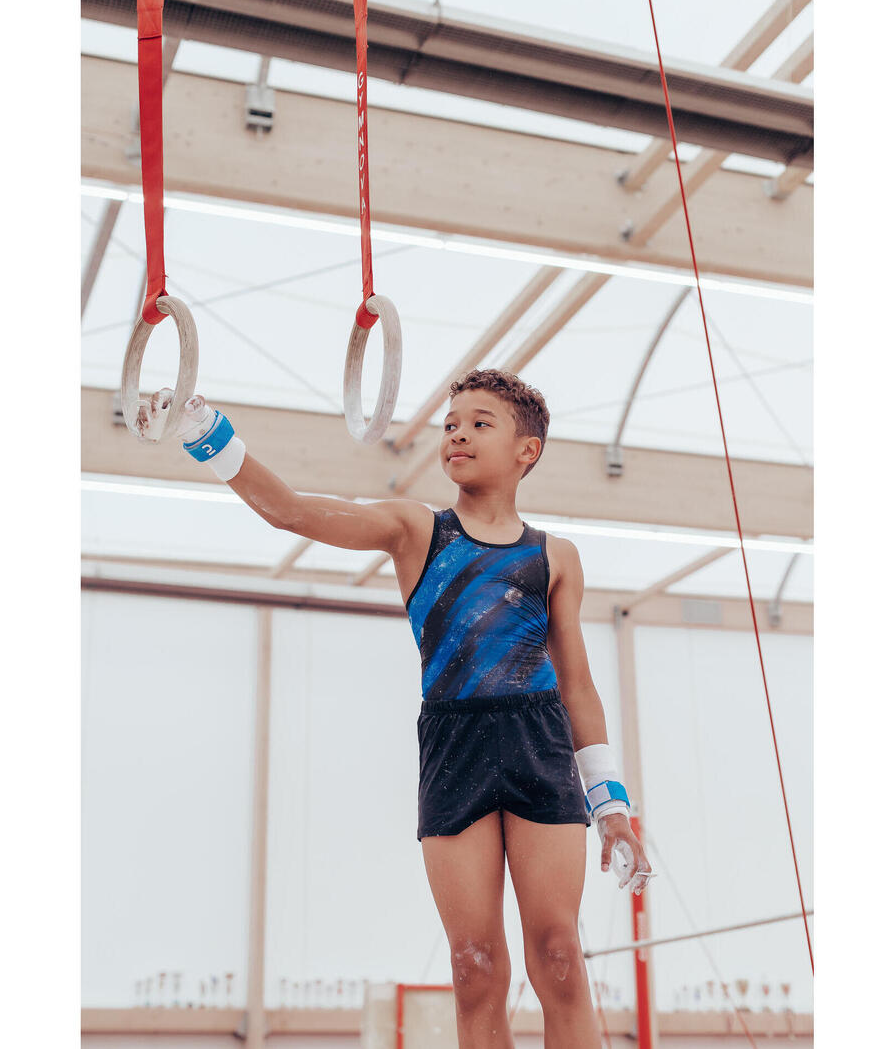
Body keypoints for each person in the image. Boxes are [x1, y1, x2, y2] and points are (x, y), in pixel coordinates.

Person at [136, 367, 652, 1049]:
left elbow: (579, 686)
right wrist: (208, 432)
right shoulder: (416, 531)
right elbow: (293, 510)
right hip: (454, 748)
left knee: (558, 955)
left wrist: (610, 804)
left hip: (540, 743)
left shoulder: (555, 557)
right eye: (449, 425)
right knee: (474, 966)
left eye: (478, 422)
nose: (457, 434)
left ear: (528, 450)